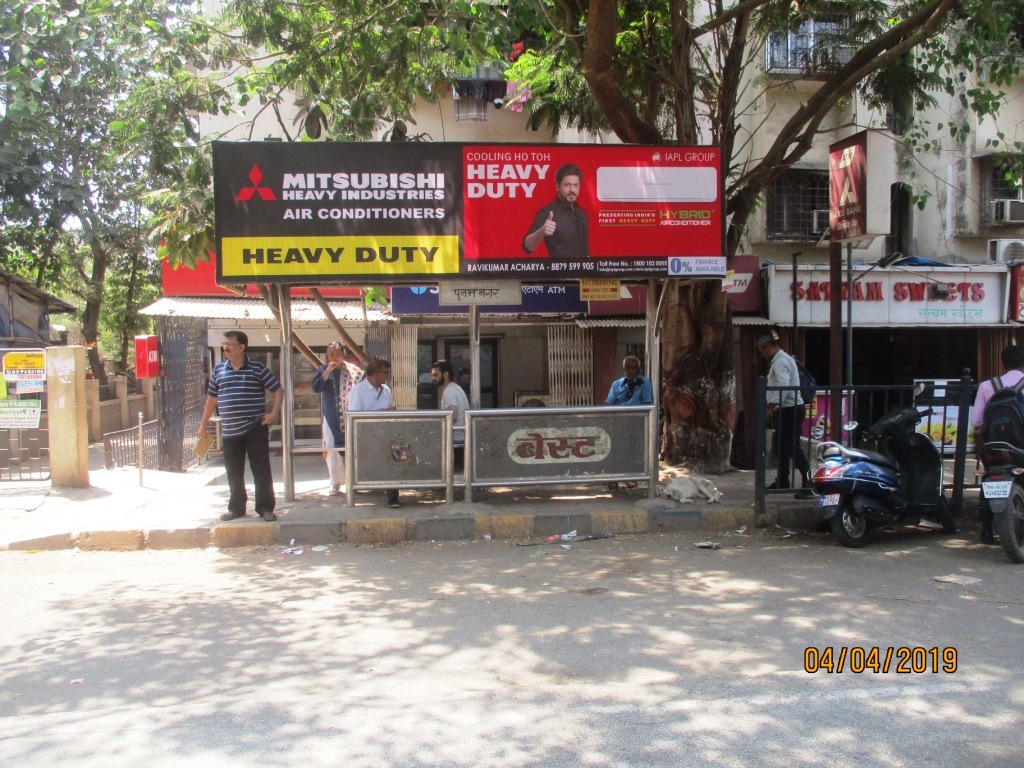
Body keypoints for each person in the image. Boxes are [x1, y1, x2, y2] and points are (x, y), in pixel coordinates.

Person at [198, 331, 283, 522]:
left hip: (255, 427)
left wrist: (274, 413)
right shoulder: (219, 370)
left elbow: (278, 389)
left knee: (261, 469)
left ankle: (265, 508)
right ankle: (236, 508)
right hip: (229, 430)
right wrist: (203, 425)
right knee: (233, 471)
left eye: (230, 344)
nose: (226, 347)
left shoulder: (257, 368)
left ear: (242, 347)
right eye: (224, 343)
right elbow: (212, 399)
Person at [971, 344, 1024, 543]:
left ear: (1003, 363)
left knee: (990, 477)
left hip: (996, 446)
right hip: (1021, 445)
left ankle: (986, 529)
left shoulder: (987, 386)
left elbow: (976, 421)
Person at [756, 334, 812, 498]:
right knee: (781, 445)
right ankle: (782, 479)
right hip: (787, 408)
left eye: (762, 351)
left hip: (791, 408)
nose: (763, 355)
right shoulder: (781, 360)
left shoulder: (780, 362)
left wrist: (771, 405)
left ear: (769, 347)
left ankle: (808, 482)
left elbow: (783, 385)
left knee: (793, 446)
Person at [346, 357, 400, 508]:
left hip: (385, 433)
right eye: (386, 373)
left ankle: (393, 491)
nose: (387, 376)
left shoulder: (386, 390)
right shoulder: (359, 391)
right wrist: (379, 413)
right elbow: (353, 416)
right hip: (366, 435)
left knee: (398, 451)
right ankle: (391, 493)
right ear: (377, 373)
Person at [310, 342, 363, 496]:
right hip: (331, 417)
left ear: (343, 354)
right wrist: (327, 372)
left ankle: (354, 482)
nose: (335, 357)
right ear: (327, 356)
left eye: (337, 354)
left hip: (350, 417)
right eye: (331, 354)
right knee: (332, 449)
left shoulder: (353, 371)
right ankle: (335, 483)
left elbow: (362, 387)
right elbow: (316, 388)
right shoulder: (322, 370)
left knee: (353, 449)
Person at [604, 355, 654, 490]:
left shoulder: (644, 383)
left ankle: (631, 477)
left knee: (631, 451)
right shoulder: (617, 384)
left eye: (634, 368)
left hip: (636, 423)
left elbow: (647, 404)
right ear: (623, 369)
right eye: (628, 368)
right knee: (615, 451)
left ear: (639, 369)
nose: (631, 371)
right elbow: (609, 403)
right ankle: (613, 478)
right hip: (618, 422)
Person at [522, 163, 590, 260]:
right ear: (558, 186)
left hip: (584, 273)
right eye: (567, 185)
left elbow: (585, 249)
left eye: (576, 185)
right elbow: (527, 246)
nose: (572, 190)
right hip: (561, 274)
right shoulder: (548, 212)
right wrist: (541, 232)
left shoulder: (582, 214)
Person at [431, 359, 470, 445]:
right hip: (462, 437)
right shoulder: (455, 388)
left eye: (435, 375)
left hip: (455, 438)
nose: (433, 378)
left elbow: (453, 416)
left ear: (446, 374)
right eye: (432, 375)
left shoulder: (449, 391)